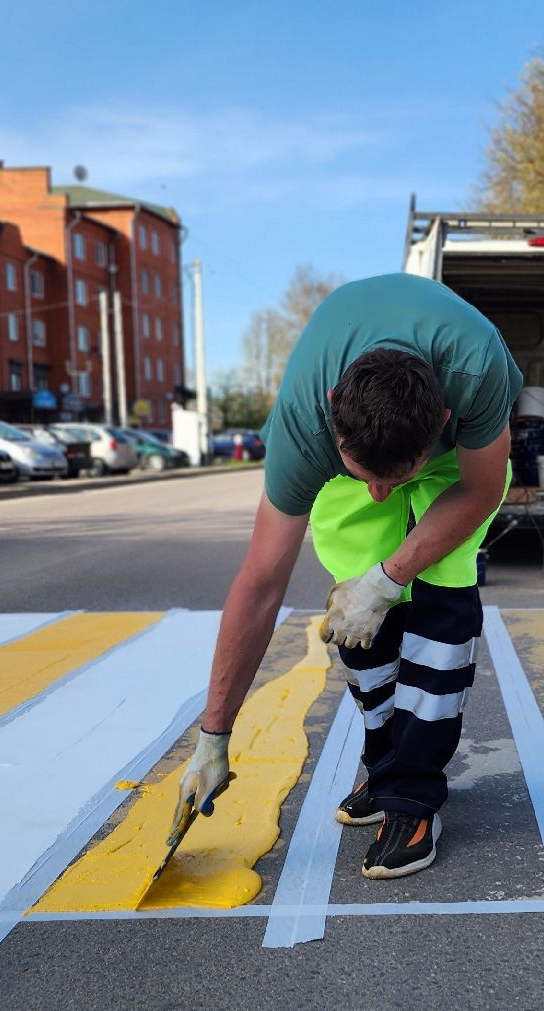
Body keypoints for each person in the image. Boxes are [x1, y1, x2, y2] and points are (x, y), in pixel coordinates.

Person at [173, 274, 519, 881]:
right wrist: (213, 737)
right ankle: (386, 769)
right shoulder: (301, 427)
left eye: (392, 478)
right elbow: (259, 585)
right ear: (332, 411)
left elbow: (483, 486)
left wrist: (391, 579)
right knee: (356, 626)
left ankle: (414, 800)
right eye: (369, 478)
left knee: (439, 609)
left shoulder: (475, 366)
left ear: (442, 418)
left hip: (448, 473)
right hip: (358, 446)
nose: (383, 495)